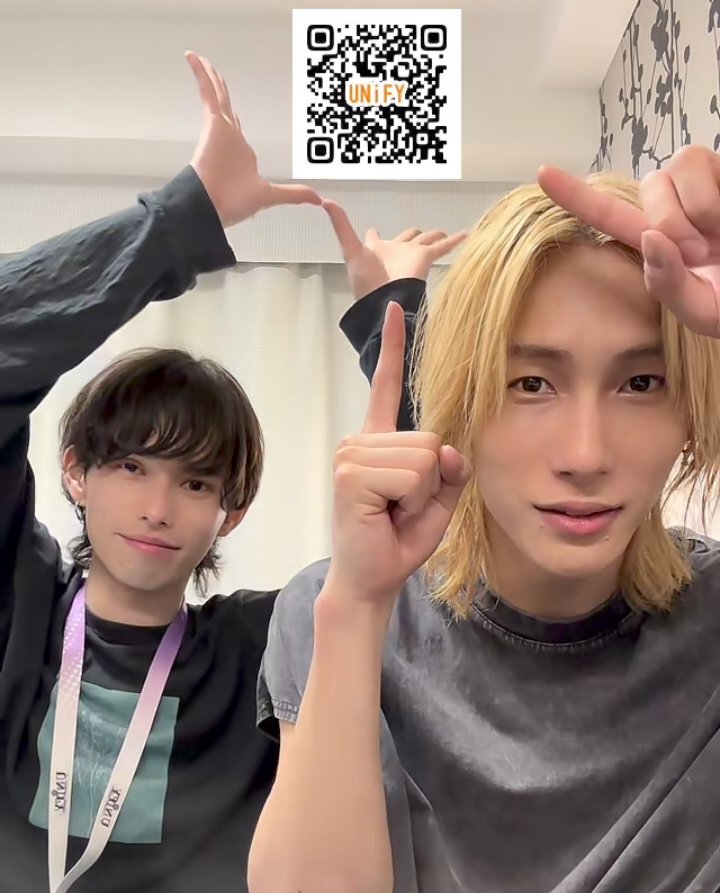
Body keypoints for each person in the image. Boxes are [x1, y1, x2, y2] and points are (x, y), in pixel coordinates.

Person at [0, 52, 464, 893]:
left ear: (233, 509)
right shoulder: (18, 604)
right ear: (75, 472)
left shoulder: (265, 645)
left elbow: (444, 529)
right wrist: (182, 220)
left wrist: (393, 315)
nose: (157, 506)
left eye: (196, 482)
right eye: (131, 465)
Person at [249, 145, 720, 893]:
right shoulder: (336, 609)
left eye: (640, 382)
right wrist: (358, 608)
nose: (586, 455)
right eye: (530, 383)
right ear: (459, 402)